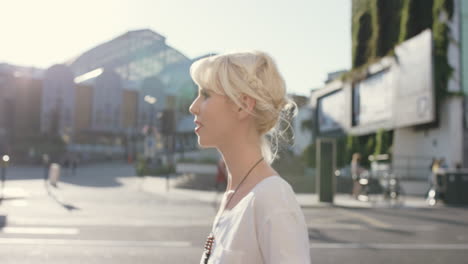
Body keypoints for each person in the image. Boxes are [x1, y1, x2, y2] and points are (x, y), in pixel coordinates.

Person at [189, 51, 310, 264]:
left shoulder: (272, 197)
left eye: (206, 95)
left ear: (243, 104)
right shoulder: (234, 195)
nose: (193, 107)